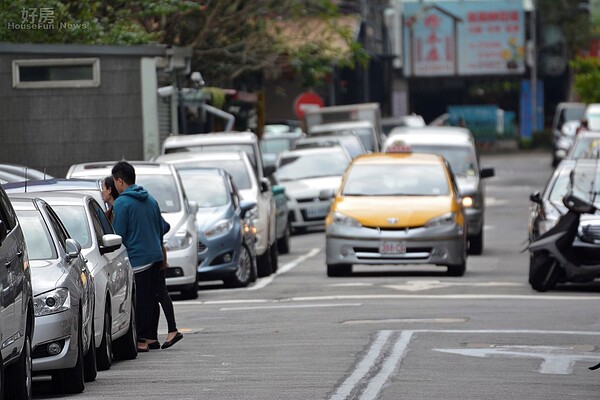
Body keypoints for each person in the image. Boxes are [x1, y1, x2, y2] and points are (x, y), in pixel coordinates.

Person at [111, 161, 165, 352]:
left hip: (138, 259)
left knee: (140, 300)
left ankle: (141, 339)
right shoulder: (150, 199)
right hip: (156, 255)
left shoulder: (122, 203)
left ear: (119, 181)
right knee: (152, 298)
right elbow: (163, 226)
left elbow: (118, 235)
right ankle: (152, 337)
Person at [146, 220, 184, 350]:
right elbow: (164, 226)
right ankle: (152, 337)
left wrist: (150, 235)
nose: (102, 197)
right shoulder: (150, 203)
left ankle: (172, 330)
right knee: (154, 296)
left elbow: (165, 226)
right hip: (158, 253)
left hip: (151, 256)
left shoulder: (122, 206)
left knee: (160, 294)